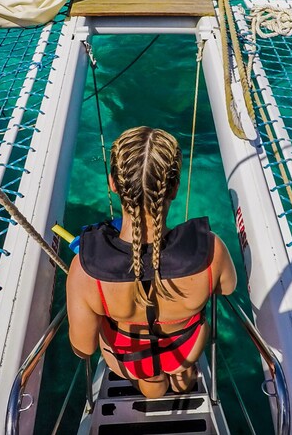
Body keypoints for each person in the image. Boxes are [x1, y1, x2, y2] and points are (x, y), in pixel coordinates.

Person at [66, 126, 237, 398]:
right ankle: (182, 382)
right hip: (186, 347)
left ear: (112, 183)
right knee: (183, 372)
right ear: (175, 187)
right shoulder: (211, 249)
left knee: (150, 380)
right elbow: (227, 288)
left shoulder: (85, 270)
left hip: (131, 357)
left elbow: (83, 348)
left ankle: (155, 392)